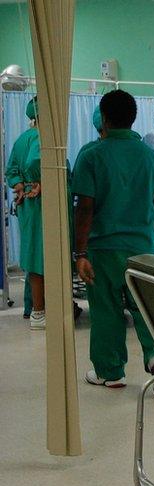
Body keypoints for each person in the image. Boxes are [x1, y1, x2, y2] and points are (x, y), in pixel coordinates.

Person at [72, 89, 154, 395]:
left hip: (103, 249)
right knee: (144, 306)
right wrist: (151, 244)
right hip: (143, 247)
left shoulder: (91, 156)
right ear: (135, 117)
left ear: (103, 118)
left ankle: (110, 372)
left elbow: (85, 208)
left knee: (106, 309)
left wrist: (80, 253)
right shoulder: (153, 159)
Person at [4, 97, 45, 328]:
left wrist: (20, 185)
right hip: (40, 201)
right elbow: (35, 161)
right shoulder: (42, 138)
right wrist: (38, 182)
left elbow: (11, 170)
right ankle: (40, 310)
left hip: (27, 203)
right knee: (42, 257)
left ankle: (32, 307)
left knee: (32, 254)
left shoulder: (21, 139)